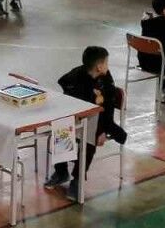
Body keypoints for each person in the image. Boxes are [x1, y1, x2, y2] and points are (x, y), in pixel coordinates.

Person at [44, 46, 126, 200]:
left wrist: (103, 131)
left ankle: (78, 179)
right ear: (99, 66)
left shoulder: (106, 81)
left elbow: (108, 110)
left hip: (99, 120)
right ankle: (61, 172)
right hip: (77, 117)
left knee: (89, 141)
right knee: (61, 129)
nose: (107, 66)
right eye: (106, 63)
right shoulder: (77, 75)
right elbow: (64, 84)